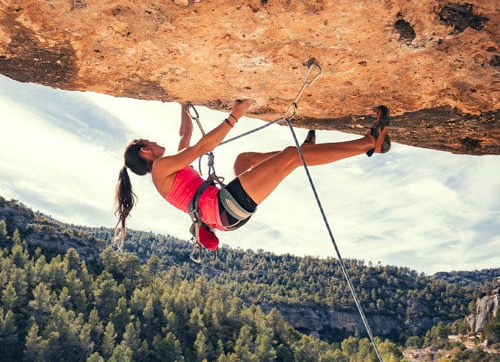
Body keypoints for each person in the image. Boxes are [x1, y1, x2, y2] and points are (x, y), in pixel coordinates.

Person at [114, 99, 390, 250]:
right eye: (148, 142)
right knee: (292, 159)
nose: (154, 141)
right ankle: (369, 143)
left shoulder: (165, 169)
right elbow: (200, 146)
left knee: (243, 160)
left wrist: (183, 106)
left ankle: (297, 152)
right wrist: (234, 116)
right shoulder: (161, 168)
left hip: (225, 211)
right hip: (226, 206)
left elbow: (185, 135)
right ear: (145, 152)